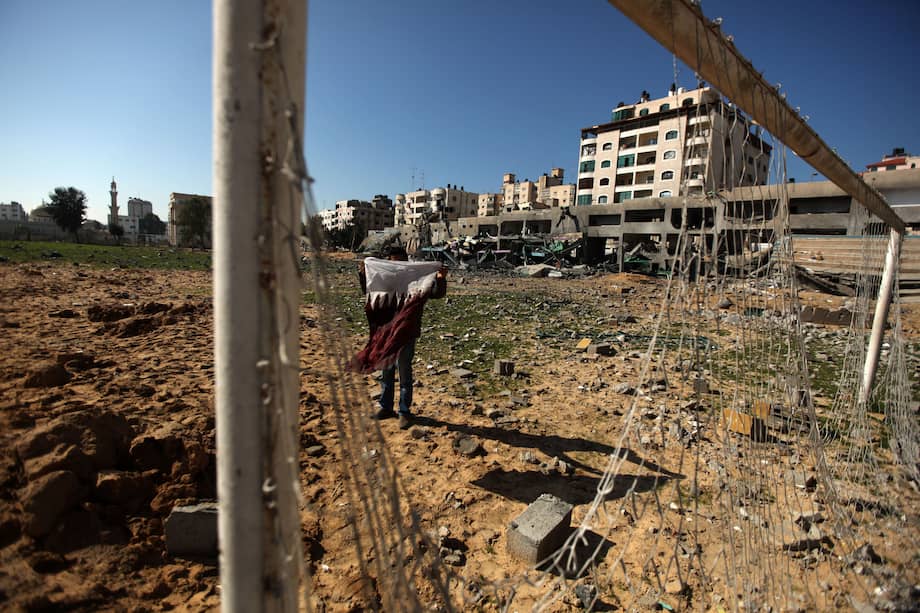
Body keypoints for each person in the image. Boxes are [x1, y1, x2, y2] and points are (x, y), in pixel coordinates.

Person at [356, 246, 447, 429]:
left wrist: (441, 279)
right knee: (387, 370)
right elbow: (370, 289)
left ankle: (404, 412)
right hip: (386, 330)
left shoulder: (415, 277)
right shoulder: (385, 276)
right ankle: (386, 407)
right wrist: (364, 275)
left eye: (399, 261)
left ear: (406, 262)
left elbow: (437, 293)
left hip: (407, 331)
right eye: (393, 262)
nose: (396, 265)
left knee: (404, 371)